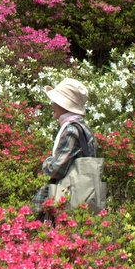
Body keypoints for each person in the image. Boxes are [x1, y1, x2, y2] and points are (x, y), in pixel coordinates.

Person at [31, 78, 97, 221]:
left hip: (65, 200)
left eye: (56, 101)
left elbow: (56, 169)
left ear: (64, 105)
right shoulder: (84, 128)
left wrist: (47, 162)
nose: (52, 104)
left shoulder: (71, 130)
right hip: (81, 197)